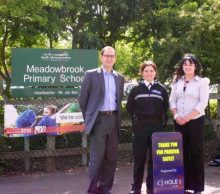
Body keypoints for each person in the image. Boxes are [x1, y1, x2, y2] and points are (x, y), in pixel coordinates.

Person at [79, 46, 125, 194]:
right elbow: (83, 100)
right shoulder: (91, 75)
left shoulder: (119, 77)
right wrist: (90, 118)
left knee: (111, 157)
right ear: (101, 57)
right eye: (107, 56)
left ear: (115, 58)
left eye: (112, 56)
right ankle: (92, 189)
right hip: (98, 120)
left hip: (114, 119)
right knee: (97, 157)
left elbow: (119, 99)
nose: (109, 58)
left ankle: (105, 187)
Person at [169, 54, 210, 194]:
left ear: (195, 66)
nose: (187, 66)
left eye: (190, 64)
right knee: (181, 154)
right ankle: (183, 185)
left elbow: (203, 103)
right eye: (185, 64)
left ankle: (198, 187)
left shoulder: (202, 82)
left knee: (196, 153)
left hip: (196, 121)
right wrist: (176, 115)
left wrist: (187, 117)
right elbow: (172, 100)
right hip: (179, 121)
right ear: (182, 66)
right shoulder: (176, 82)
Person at [126, 60, 169, 194]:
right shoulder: (135, 89)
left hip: (156, 128)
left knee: (154, 160)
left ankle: (151, 186)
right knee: (139, 159)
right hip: (140, 128)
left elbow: (165, 108)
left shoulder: (162, 89)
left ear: (155, 72)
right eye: (146, 71)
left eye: (151, 70)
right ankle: (136, 187)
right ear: (142, 73)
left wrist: (160, 123)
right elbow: (129, 107)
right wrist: (137, 120)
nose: (149, 73)